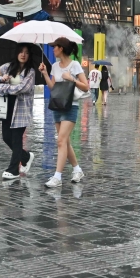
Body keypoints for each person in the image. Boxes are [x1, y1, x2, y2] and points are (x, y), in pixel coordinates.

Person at [39, 37, 88, 188]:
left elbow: (86, 87)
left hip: (70, 106)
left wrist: (71, 79)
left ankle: (57, 177)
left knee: (60, 140)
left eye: (55, 47)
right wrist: (46, 74)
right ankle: (77, 170)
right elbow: (53, 88)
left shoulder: (75, 65)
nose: (53, 49)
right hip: (57, 105)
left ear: (61, 48)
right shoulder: (54, 66)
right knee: (64, 141)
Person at [0, 44, 37, 180]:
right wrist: (0, 79)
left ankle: (13, 170)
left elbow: (22, 88)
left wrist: (3, 87)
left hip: (21, 110)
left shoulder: (30, 72)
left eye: (26, 53)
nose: (23, 55)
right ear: (17, 53)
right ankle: (26, 157)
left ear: (29, 56)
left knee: (16, 140)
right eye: (21, 52)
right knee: (6, 137)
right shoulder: (8, 67)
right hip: (7, 108)